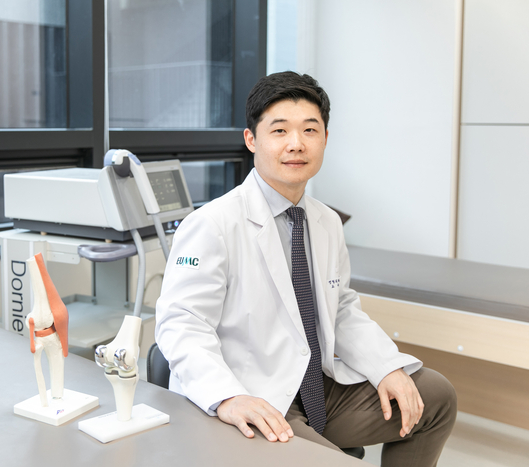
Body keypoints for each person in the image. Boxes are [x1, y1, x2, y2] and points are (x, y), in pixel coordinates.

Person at [155, 71, 457, 466]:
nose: (296, 144)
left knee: (435, 396)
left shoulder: (325, 221)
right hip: (252, 392)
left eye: (309, 130)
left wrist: (386, 368)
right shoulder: (213, 224)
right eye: (279, 130)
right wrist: (228, 396)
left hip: (315, 386)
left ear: (325, 139)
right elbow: (182, 324)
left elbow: (341, 308)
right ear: (252, 140)